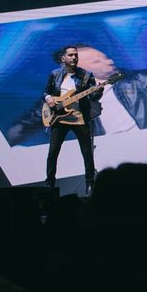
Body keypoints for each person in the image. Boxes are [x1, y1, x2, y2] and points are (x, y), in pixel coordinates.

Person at [7, 43, 147, 145]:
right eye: (98, 61)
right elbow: (23, 127)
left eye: (105, 57)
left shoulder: (139, 79)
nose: (110, 61)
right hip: (103, 158)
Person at [42, 45, 104, 192]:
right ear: (63, 58)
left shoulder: (86, 76)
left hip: (79, 118)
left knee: (87, 152)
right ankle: (49, 184)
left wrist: (99, 91)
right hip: (59, 118)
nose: (74, 57)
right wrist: (49, 98)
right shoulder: (55, 74)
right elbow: (46, 91)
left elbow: (93, 96)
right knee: (53, 152)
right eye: (70, 55)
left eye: (75, 55)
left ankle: (90, 183)